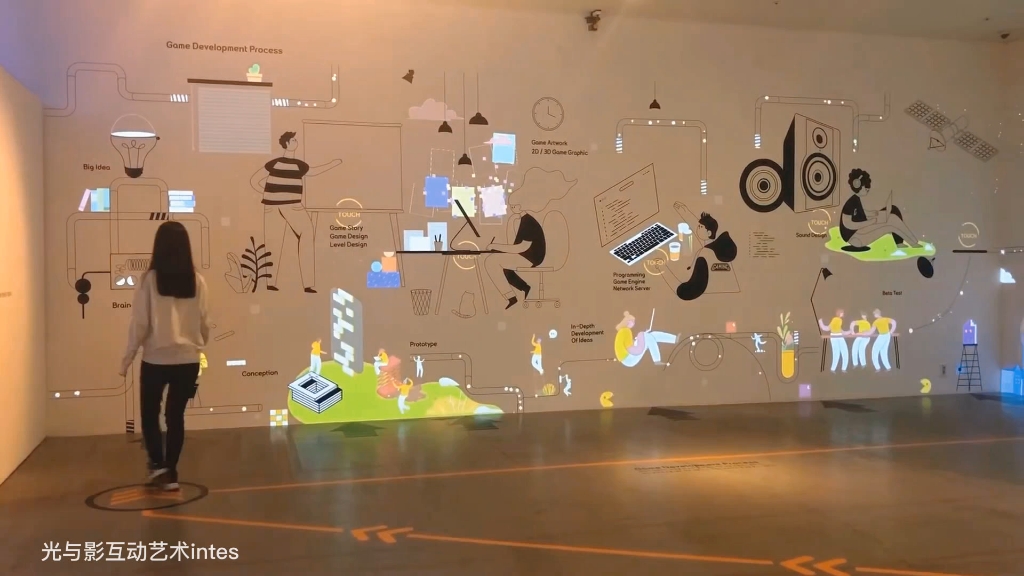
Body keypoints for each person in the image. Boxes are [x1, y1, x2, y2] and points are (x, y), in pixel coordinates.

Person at [119, 221, 211, 492]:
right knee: (175, 417)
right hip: (188, 360)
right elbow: (205, 322)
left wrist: (127, 358)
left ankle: (158, 464)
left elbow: (139, 324)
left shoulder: (149, 280)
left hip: (155, 361)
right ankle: (171, 471)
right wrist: (197, 345)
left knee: (150, 414)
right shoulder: (197, 281)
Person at [250, 131, 342, 293]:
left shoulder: (296, 165)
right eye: (293, 140)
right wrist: (269, 194)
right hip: (289, 206)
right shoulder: (277, 163)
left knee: (276, 240)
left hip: (276, 205)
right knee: (295, 236)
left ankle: (284, 283)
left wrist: (333, 164)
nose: (296, 142)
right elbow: (255, 180)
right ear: (286, 143)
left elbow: (314, 171)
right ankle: (302, 284)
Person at [661, 203, 737, 301]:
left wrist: (663, 270)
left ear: (708, 233)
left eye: (700, 227)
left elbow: (694, 289)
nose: (697, 229)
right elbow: (696, 225)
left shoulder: (705, 254)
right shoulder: (715, 246)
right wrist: (685, 211)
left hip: (709, 300)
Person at [839, 169, 926, 253]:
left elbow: (859, 213)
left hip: (860, 231)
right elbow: (848, 224)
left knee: (893, 212)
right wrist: (870, 222)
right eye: (866, 189)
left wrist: (872, 213)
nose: (867, 191)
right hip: (855, 237)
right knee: (890, 224)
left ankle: (908, 242)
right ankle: (913, 242)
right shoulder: (850, 203)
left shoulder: (856, 199)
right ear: (857, 185)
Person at [485, 202, 547, 309]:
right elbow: (515, 246)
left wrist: (495, 246)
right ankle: (522, 289)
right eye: (511, 206)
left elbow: (521, 248)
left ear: (521, 205)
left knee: (491, 262)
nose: (512, 208)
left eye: (515, 205)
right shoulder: (523, 220)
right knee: (496, 261)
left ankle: (513, 296)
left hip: (531, 258)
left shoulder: (529, 222)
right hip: (525, 255)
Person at [613, 311, 679, 367]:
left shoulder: (623, 331)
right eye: (633, 321)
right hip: (628, 359)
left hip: (627, 358)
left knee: (651, 335)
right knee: (646, 336)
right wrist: (640, 344)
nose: (633, 323)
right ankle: (657, 360)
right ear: (628, 322)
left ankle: (674, 339)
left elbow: (628, 344)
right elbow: (630, 348)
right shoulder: (625, 331)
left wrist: (640, 341)